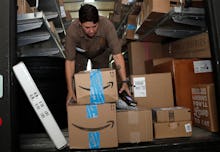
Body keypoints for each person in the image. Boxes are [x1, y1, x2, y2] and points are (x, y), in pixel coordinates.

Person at [64, 4, 131, 104]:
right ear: (80, 23)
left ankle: (101, 105)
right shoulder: (72, 30)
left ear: (98, 22)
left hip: (101, 52)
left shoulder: (107, 25)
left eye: (94, 26)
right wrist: (70, 90)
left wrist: (124, 82)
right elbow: (70, 61)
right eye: (87, 27)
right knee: (78, 82)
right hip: (80, 54)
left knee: (102, 81)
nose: (91, 31)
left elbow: (117, 55)